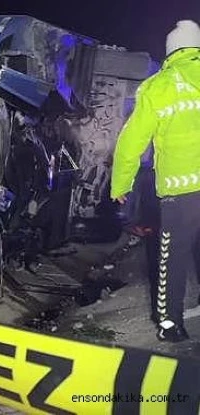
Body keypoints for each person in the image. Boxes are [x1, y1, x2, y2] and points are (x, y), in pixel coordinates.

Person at [110, 20, 200, 342]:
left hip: (180, 189)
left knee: (172, 255)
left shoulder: (158, 87)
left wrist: (121, 184)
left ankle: (170, 324)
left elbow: (130, 142)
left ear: (170, 51)